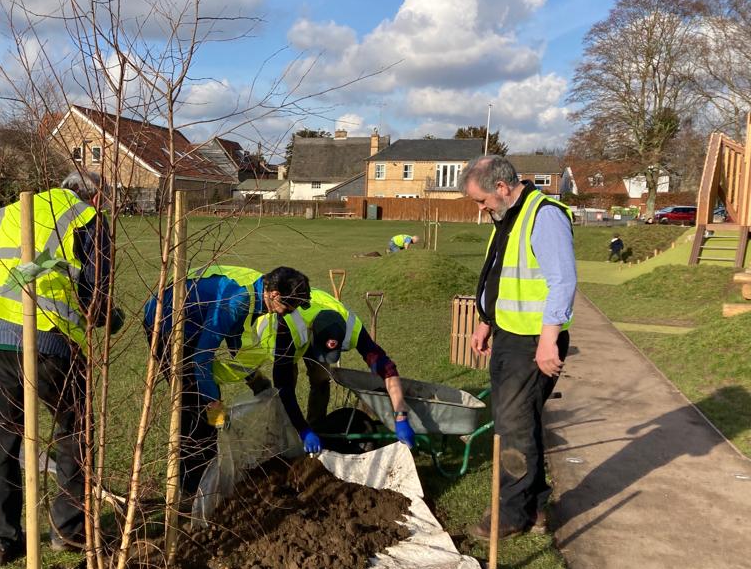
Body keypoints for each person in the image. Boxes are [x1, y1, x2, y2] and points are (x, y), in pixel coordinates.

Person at [0, 174, 116, 567]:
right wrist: (109, 316)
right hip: (50, 338)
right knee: (73, 431)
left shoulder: (11, 212)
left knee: (1, 437)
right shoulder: (88, 218)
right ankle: (67, 531)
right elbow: (96, 292)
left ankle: (1, 540)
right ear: (95, 194)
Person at [459, 155, 576, 540]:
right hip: (510, 334)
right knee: (523, 423)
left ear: (502, 188)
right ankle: (536, 505)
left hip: (532, 341)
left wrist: (547, 340)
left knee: (512, 428)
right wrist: (485, 321)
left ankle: (511, 514)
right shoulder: (507, 216)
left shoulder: (544, 217)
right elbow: (499, 274)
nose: (481, 209)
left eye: (482, 201)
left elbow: (562, 282)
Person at [143, 265, 312, 495]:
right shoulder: (238, 300)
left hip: (189, 325)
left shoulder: (255, 299)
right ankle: (191, 491)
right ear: (274, 295)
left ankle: (207, 482)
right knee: (194, 406)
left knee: (206, 409)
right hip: (164, 322)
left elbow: (233, 338)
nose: (288, 312)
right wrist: (214, 405)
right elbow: (201, 359)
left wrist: (253, 378)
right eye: (289, 306)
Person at [237, 289, 415, 449]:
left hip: (315, 326)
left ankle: (317, 428)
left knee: (321, 378)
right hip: (279, 334)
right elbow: (285, 388)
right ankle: (289, 435)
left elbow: (387, 368)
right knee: (288, 380)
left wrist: (401, 416)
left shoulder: (351, 327)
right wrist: (302, 431)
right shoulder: (285, 329)